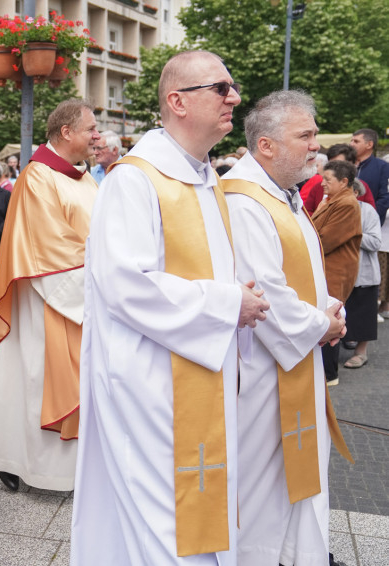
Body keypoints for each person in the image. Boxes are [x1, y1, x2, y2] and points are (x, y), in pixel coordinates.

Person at [72, 50, 269, 566]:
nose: (235, 98)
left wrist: (236, 293)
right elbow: (124, 284)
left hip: (196, 367)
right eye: (220, 88)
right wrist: (228, 302)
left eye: (232, 86)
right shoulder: (135, 178)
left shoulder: (205, 176)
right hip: (151, 381)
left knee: (189, 518)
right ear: (178, 102)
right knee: (168, 525)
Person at [222, 90, 353, 566]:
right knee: (265, 473)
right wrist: (320, 325)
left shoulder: (280, 194)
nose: (316, 146)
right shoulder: (244, 200)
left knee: (295, 463)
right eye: (306, 136)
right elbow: (266, 293)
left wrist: (329, 308)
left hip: (293, 355)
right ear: (267, 145)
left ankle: (300, 552)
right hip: (262, 366)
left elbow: (300, 271)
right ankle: (261, 556)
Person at [0, 100, 99, 493]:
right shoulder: (38, 177)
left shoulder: (84, 178)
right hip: (47, 295)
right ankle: (29, 466)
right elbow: (52, 245)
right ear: (66, 132)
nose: (96, 136)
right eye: (90, 129)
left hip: (81, 291)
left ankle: (77, 468)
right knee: (35, 380)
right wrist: (102, 271)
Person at [313, 159, 363, 386]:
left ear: (343, 182)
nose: (322, 183)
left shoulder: (346, 204)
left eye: (327, 179)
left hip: (335, 271)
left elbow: (324, 240)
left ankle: (329, 374)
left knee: (330, 315)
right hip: (328, 268)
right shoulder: (334, 200)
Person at [343, 178, 382, 368]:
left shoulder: (368, 211)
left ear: (356, 193)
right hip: (339, 272)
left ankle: (361, 352)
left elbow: (375, 242)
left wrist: (352, 232)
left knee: (363, 313)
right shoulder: (332, 209)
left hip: (363, 271)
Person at [303, 144, 374, 215]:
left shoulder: (361, 187)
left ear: (351, 164)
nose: (334, 168)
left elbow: (370, 215)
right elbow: (307, 212)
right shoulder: (319, 187)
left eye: (339, 164)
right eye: (331, 164)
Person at [351, 128, 389, 224]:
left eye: (356, 141)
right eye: (351, 141)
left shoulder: (383, 167)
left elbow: (385, 197)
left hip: (369, 223)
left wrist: (370, 217)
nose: (351, 144)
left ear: (369, 144)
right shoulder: (346, 165)